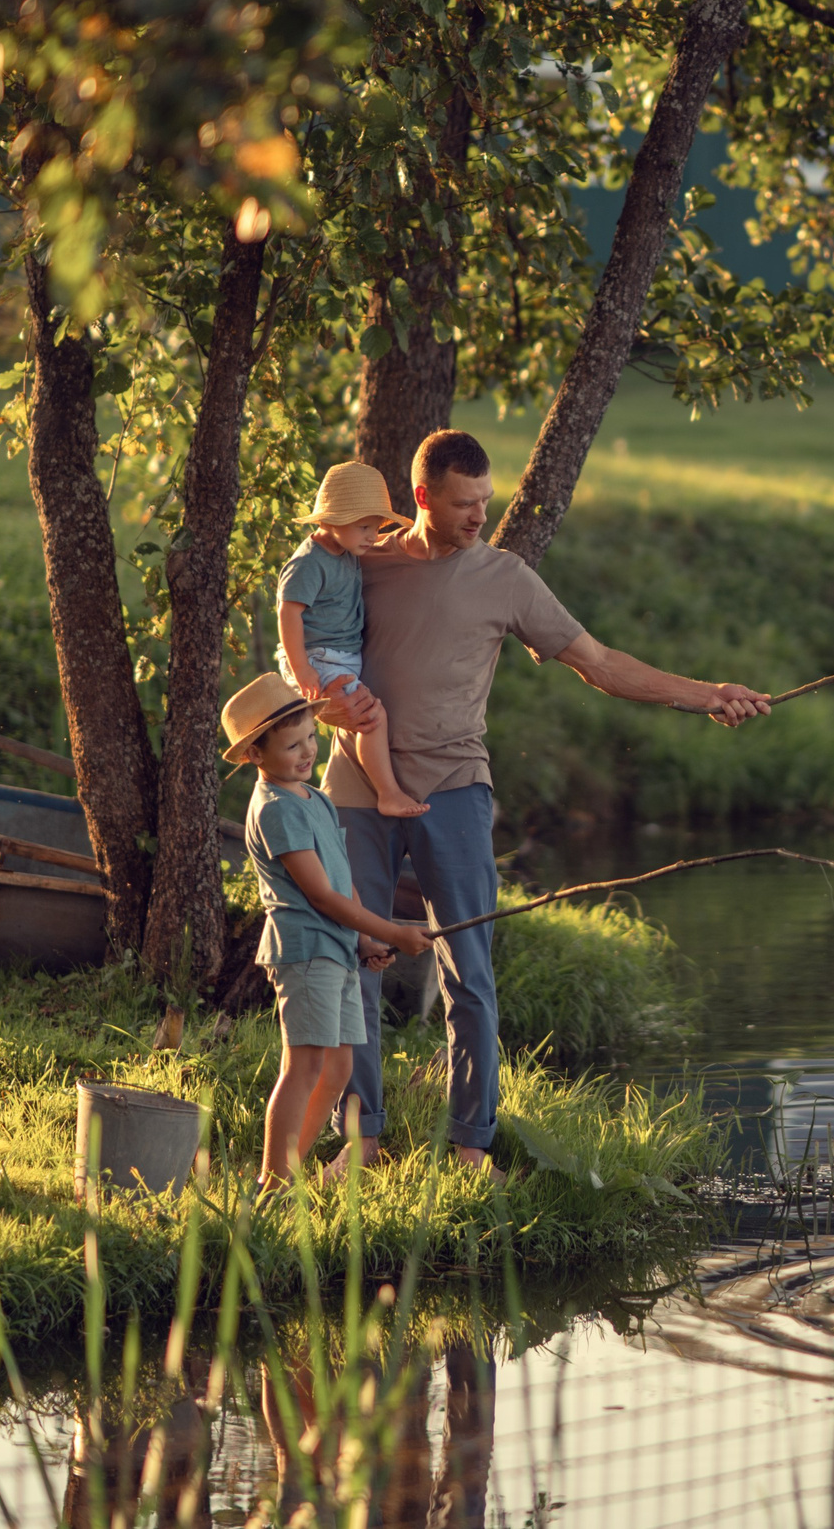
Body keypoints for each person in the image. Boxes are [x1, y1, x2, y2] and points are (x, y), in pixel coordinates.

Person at [328, 428, 770, 1174]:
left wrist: (706, 695)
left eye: (487, 501)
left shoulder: (506, 577)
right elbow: (306, 642)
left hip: (455, 790)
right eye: (464, 503)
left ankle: (472, 1145)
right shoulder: (361, 562)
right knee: (354, 962)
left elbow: (597, 663)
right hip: (357, 789)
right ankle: (361, 1141)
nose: (479, 516)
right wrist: (320, 707)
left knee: (470, 970)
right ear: (423, 497)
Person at [219, 671, 434, 1187]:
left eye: (311, 738)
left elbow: (343, 878)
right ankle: (274, 1181)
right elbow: (320, 895)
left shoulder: (315, 799)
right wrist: (394, 930)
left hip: (337, 950)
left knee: (337, 1071)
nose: (306, 751)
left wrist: (367, 938)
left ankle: (290, 1168)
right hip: (307, 951)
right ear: (255, 755)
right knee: (304, 1066)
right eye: (292, 745)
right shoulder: (275, 809)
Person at [276, 461, 426, 820]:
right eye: (364, 527)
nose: (373, 536)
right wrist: (303, 671)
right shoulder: (309, 563)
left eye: (375, 527)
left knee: (362, 715)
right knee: (372, 717)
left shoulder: (346, 549)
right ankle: (387, 793)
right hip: (318, 657)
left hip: (336, 656)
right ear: (332, 520)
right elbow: (288, 613)